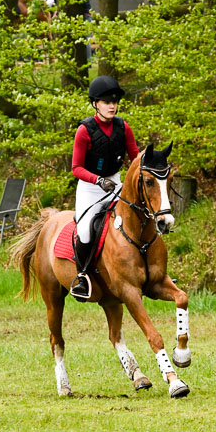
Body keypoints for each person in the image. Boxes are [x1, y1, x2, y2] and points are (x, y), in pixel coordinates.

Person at [70, 75, 140, 300]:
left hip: (116, 183)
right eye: (106, 101)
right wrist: (98, 181)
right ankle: (82, 277)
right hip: (90, 188)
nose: (112, 105)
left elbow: (135, 158)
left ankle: (147, 270)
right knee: (86, 230)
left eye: (114, 101)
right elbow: (76, 168)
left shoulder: (123, 127)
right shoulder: (84, 130)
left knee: (139, 218)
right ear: (95, 104)